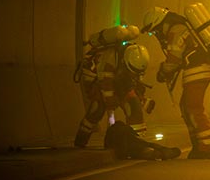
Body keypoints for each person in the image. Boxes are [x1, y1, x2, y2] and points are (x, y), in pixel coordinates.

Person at [74, 26, 178, 160]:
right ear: (126, 62)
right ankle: (81, 140)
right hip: (96, 79)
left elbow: (133, 84)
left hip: (116, 80)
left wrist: (143, 100)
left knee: (133, 106)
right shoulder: (111, 58)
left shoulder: (133, 60)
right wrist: (110, 100)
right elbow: (106, 83)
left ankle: (138, 140)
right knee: (97, 108)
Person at [142, 6, 210, 159]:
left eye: (154, 31)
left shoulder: (176, 29)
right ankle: (198, 146)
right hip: (198, 69)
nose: (155, 34)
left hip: (197, 70)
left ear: (158, 24)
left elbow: (174, 57)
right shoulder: (178, 26)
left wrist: (163, 71)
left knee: (193, 107)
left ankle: (208, 148)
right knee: (185, 107)